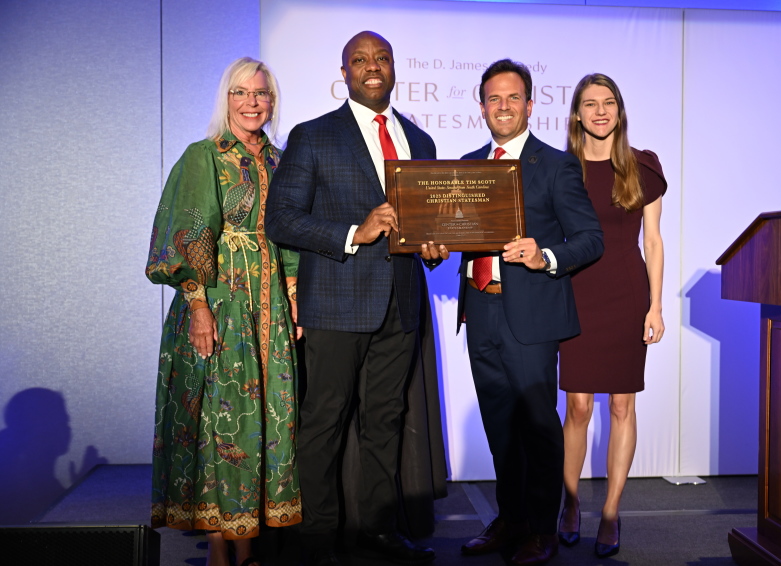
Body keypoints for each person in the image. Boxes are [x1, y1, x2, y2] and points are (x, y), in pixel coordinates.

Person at [265, 31, 447, 566]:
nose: (373, 67)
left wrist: (434, 248)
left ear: (394, 69)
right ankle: (318, 538)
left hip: (401, 302)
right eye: (360, 60)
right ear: (343, 72)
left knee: (385, 422)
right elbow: (281, 219)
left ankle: (379, 529)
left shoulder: (421, 141)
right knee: (324, 423)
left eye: (382, 58)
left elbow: (425, 228)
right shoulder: (314, 136)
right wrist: (354, 232)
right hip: (337, 304)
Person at [146, 57, 300, 566]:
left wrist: (295, 297)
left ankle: (249, 546)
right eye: (240, 92)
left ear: (272, 100)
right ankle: (218, 547)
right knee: (221, 417)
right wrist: (197, 305)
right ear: (226, 100)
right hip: (220, 301)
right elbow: (191, 232)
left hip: (270, 305)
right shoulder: (205, 157)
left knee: (263, 420)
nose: (251, 101)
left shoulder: (282, 161)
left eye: (260, 93)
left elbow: (292, 233)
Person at [457, 59, 603, 566]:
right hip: (481, 313)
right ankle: (511, 520)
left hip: (532, 317)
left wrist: (546, 256)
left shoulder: (556, 165)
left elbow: (591, 239)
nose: (503, 107)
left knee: (538, 428)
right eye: (494, 99)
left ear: (530, 104)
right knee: (500, 429)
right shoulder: (466, 166)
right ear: (482, 107)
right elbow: (457, 236)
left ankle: (541, 528)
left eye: (513, 98)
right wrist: (431, 245)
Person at [558, 73, 667, 559]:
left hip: (626, 292)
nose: (600, 112)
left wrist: (656, 305)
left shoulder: (643, 166)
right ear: (577, 114)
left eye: (608, 103)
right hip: (576, 293)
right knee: (578, 407)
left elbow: (654, 240)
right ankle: (571, 501)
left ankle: (611, 512)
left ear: (619, 111)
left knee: (622, 406)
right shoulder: (562, 168)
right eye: (590, 104)